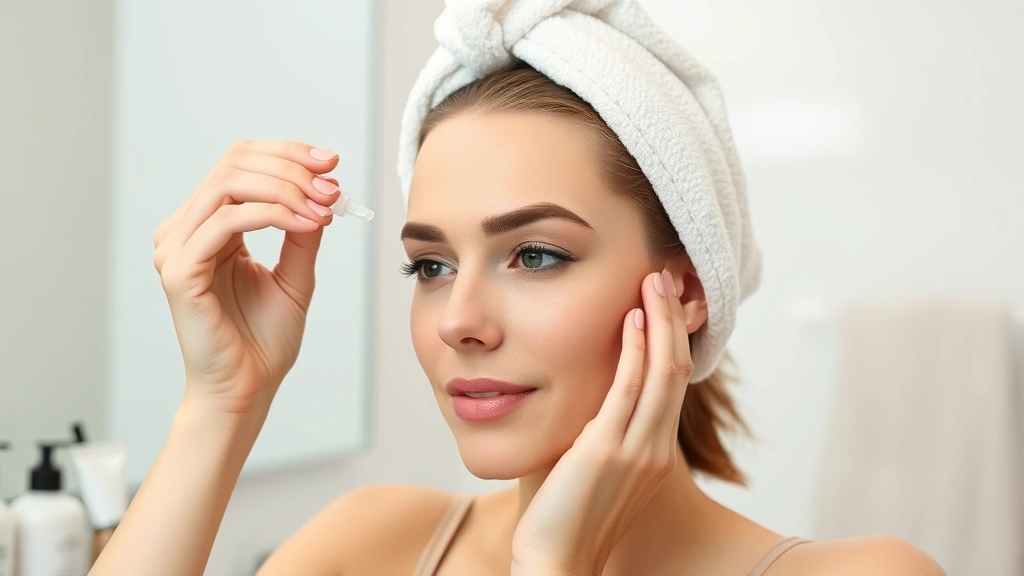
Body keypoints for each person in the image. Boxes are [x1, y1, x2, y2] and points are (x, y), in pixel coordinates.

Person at [91, 8, 947, 576]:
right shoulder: (371, 544)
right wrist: (221, 404)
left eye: (534, 256)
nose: (459, 321)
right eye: (431, 266)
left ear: (685, 291)